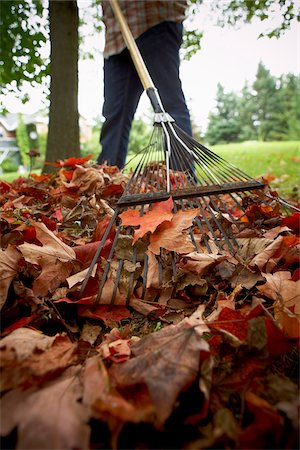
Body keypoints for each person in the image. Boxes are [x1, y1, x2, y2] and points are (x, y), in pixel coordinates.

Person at [97, 0, 193, 169]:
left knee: (169, 104)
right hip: (115, 37)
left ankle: (182, 184)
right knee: (114, 116)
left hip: (153, 19)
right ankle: (106, 184)